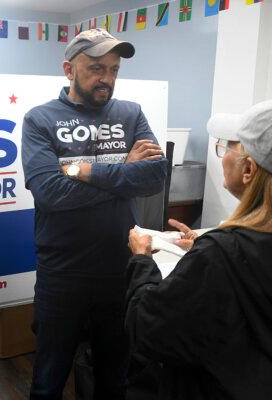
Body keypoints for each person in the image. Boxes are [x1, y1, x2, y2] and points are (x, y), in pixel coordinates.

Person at [21, 28, 168, 400]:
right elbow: (50, 192)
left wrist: (83, 171)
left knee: (114, 377)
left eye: (114, 69)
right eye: (97, 68)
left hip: (120, 268)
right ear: (69, 69)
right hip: (62, 270)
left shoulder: (130, 113)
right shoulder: (40, 119)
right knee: (48, 379)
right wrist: (124, 171)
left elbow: (154, 177)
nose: (107, 78)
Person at [126, 99, 272, 399]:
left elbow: (148, 328)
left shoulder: (220, 255)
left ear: (248, 169)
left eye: (227, 146)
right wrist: (204, 248)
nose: (222, 156)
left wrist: (141, 260)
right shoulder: (222, 252)